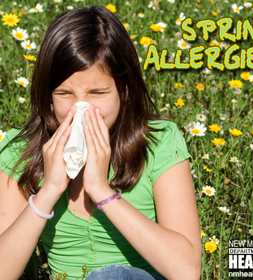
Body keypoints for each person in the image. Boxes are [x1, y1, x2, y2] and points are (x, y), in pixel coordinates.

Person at [0, 5, 201, 280]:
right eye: (65, 93)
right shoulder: (20, 150)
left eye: (97, 92)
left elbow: (187, 271)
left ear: (125, 89)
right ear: (48, 94)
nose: (81, 108)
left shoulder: (158, 141)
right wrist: (49, 191)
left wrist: (101, 191)